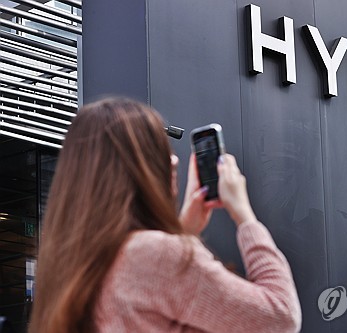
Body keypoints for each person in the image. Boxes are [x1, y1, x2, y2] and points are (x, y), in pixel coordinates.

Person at [29, 98, 301, 333]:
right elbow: (280, 316)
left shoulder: (67, 261)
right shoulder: (153, 254)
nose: (174, 161)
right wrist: (244, 216)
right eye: (158, 149)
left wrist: (184, 234)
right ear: (135, 168)